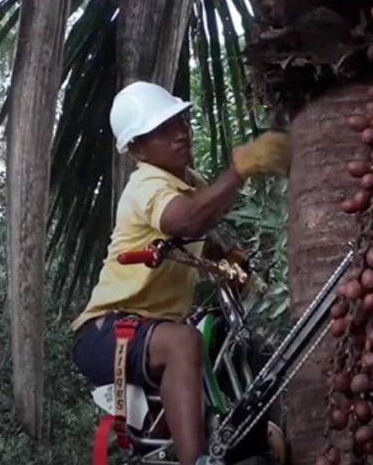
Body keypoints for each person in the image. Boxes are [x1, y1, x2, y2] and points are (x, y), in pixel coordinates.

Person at [71, 81, 291, 465]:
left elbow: (202, 240)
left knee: (232, 340)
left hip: (149, 328)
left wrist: (236, 266)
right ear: (137, 148)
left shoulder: (191, 183)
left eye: (179, 121)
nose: (180, 133)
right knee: (184, 342)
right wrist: (239, 171)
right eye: (161, 130)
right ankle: (198, 461)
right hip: (103, 333)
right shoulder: (146, 185)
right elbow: (187, 222)